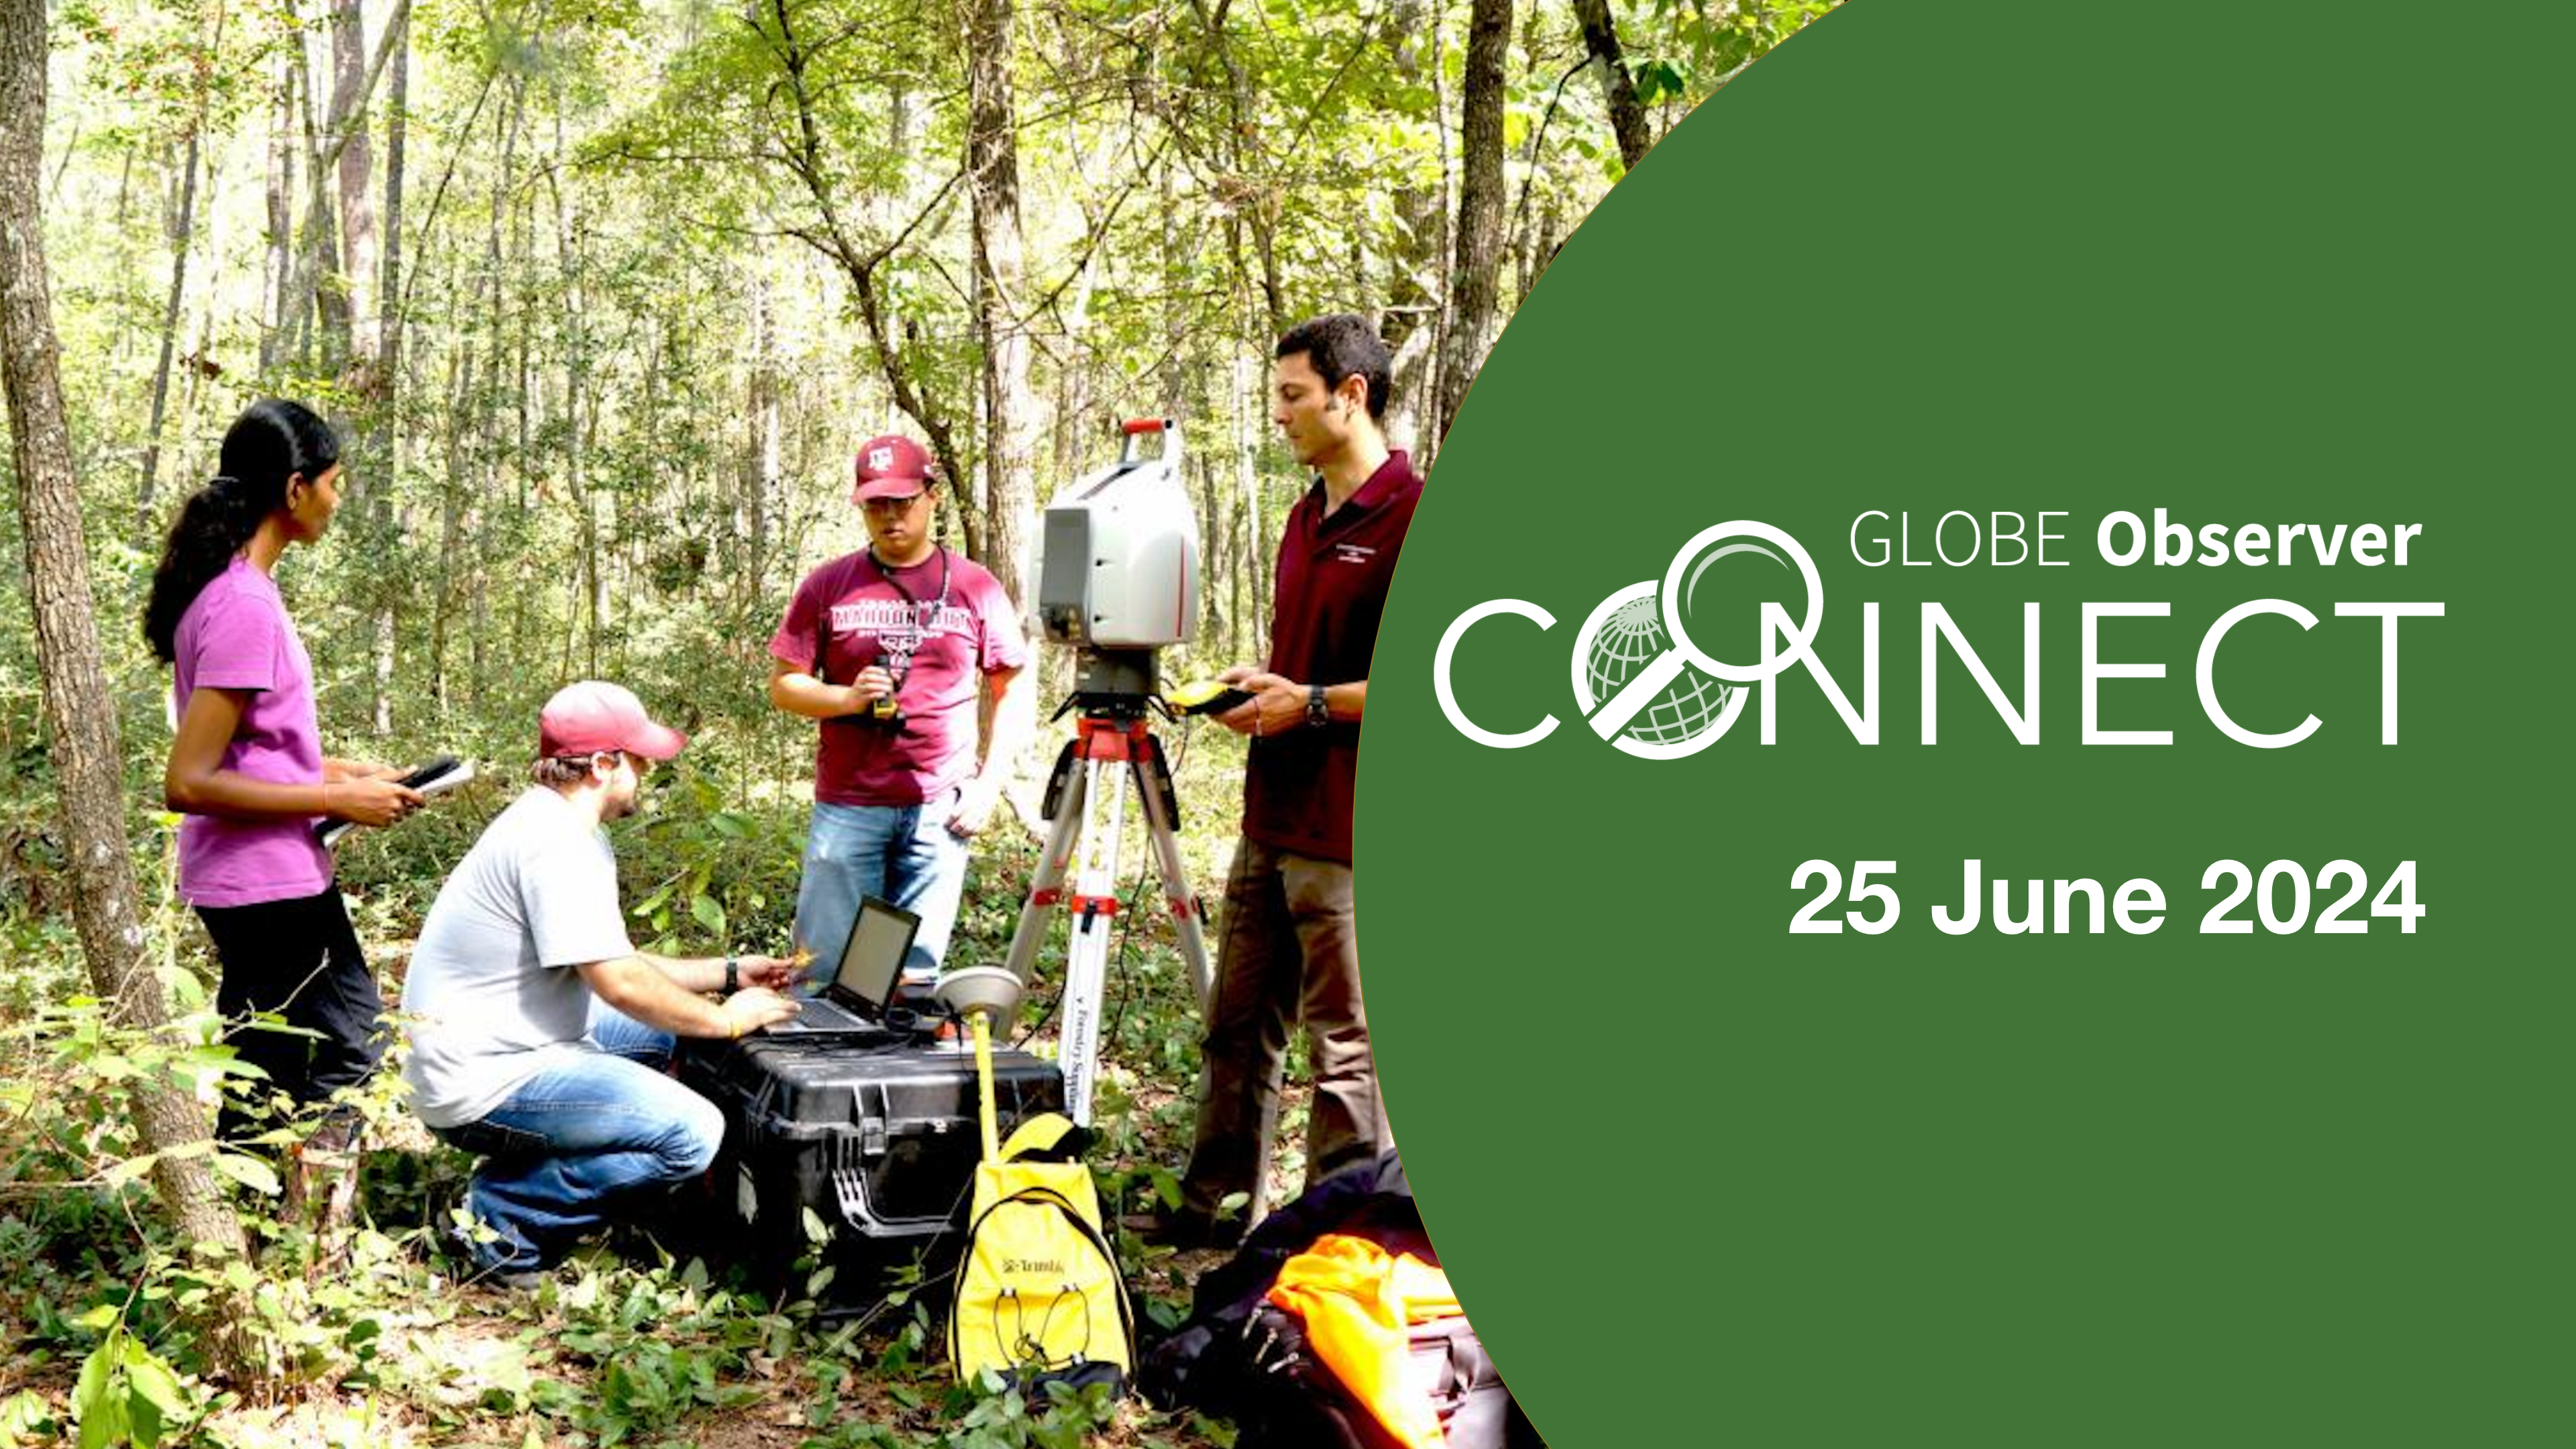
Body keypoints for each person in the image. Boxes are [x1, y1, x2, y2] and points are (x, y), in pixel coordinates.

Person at [1152, 314, 1425, 1246]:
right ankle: (1215, 1214)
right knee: (1237, 1027)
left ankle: (1335, 1246)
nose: (1279, 416)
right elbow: (1301, 664)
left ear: (1352, 396)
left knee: (1346, 1051)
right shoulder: (1306, 517)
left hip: (1348, 829)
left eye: (1292, 396)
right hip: (1269, 816)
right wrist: (1252, 690)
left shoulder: (1418, 516)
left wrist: (1306, 703)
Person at [399, 681, 802, 1286]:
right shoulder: (554, 845)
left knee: (663, 1038)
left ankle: (571, 1185)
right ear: (601, 765)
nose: (647, 773)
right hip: (481, 1079)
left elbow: (615, 959)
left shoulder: (559, 824)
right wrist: (725, 1017)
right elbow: (618, 983)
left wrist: (727, 973)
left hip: (504, 1045)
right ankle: (499, 1220)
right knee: (695, 1134)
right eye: (639, 760)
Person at [146, 398, 424, 1159]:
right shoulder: (241, 604)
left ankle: (245, 1238)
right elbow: (190, 780)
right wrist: (338, 798)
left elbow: (250, 751)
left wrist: (347, 773)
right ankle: (303, 1239)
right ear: (296, 489)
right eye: (335, 482)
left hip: (263, 877)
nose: (339, 500)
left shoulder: (240, 591)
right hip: (264, 884)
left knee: (267, 1063)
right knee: (351, 1049)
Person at [765, 434, 1032, 994]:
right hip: (849, 805)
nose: (889, 517)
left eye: (902, 502)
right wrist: (846, 699)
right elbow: (785, 687)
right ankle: (820, 1072)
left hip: (940, 806)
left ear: (932, 497)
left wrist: (988, 786)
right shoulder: (829, 585)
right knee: (824, 969)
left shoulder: (974, 587)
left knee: (912, 976)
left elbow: (1010, 689)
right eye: (875, 505)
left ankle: (897, 1071)